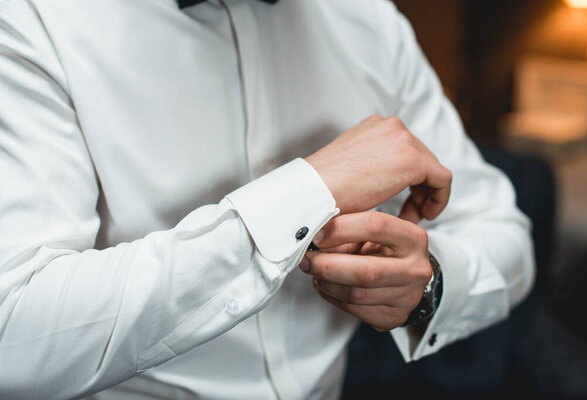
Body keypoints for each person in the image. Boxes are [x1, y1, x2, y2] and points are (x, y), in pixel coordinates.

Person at [0, 0, 535, 399]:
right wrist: (307, 193)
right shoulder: (32, 20)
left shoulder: (368, 21)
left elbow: (504, 231)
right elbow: (13, 337)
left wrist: (428, 284)